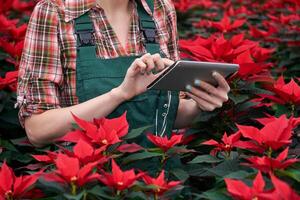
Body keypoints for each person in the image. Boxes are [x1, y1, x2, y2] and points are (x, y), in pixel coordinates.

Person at [17, 0, 230, 147]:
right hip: (91, 183)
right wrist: (119, 94)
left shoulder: (159, 9)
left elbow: (167, 115)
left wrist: (199, 104)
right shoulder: (54, 12)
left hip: (156, 180)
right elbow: (38, 130)